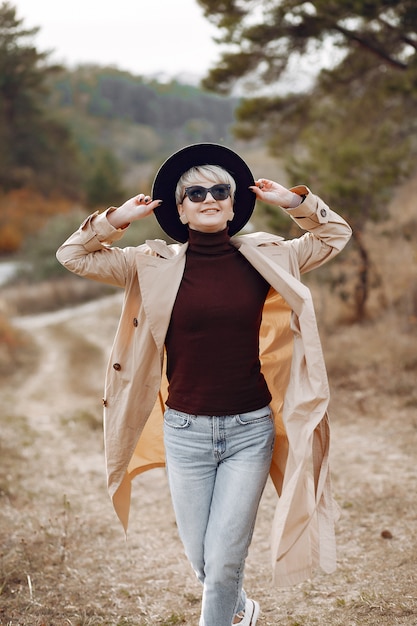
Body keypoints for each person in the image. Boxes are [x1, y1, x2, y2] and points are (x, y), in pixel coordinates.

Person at [57, 143, 352, 626]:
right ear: (180, 208)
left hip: (249, 430)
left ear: (235, 203)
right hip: (185, 433)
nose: (209, 198)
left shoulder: (269, 255)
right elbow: (72, 255)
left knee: (225, 561)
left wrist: (294, 202)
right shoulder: (149, 263)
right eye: (195, 192)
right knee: (204, 559)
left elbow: (335, 234)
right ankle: (241, 610)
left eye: (220, 190)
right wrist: (116, 219)